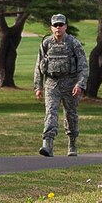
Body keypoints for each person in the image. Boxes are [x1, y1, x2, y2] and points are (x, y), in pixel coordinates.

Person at [34, 14, 88, 157]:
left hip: (70, 84)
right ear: (51, 28)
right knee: (50, 112)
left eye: (60, 25)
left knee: (70, 115)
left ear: (65, 26)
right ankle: (47, 145)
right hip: (52, 84)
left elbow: (83, 65)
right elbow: (38, 66)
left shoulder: (73, 43)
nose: (58, 27)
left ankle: (72, 144)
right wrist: (38, 87)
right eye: (55, 25)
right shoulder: (46, 44)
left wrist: (80, 84)